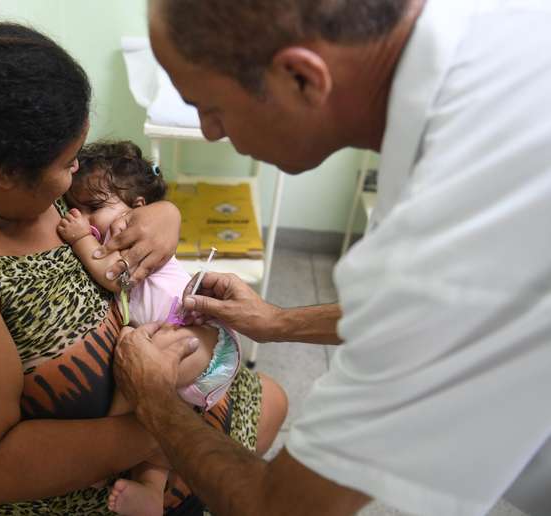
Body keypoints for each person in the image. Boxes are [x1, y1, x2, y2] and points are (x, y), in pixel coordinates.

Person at [112, 1, 551, 515]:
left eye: (213, 108)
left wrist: (154, 399)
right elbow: (422, 315)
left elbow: (286, 507)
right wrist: (276, 322)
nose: (210, 132)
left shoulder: (461, 218)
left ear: (300, 78)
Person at [0, 21, 287, 516]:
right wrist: (164, 421)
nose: (76, 172)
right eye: (68, 163)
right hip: (99, 490)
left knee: (271, 398)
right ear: (8, 174)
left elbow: (118, 200)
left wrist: (162, 216)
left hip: (166, 404)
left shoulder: (21, 194)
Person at [57, 140, 244, 515]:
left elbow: (112, 279)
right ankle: (150, 489)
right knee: (151, 416)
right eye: (78, 210)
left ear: (138, 211)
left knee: (136, 372)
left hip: (199, 342)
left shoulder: (136, 244)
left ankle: (103, 454)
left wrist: (78, 237)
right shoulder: (114, 234)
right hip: (187, 359)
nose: (88, 220)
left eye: (95, 209)